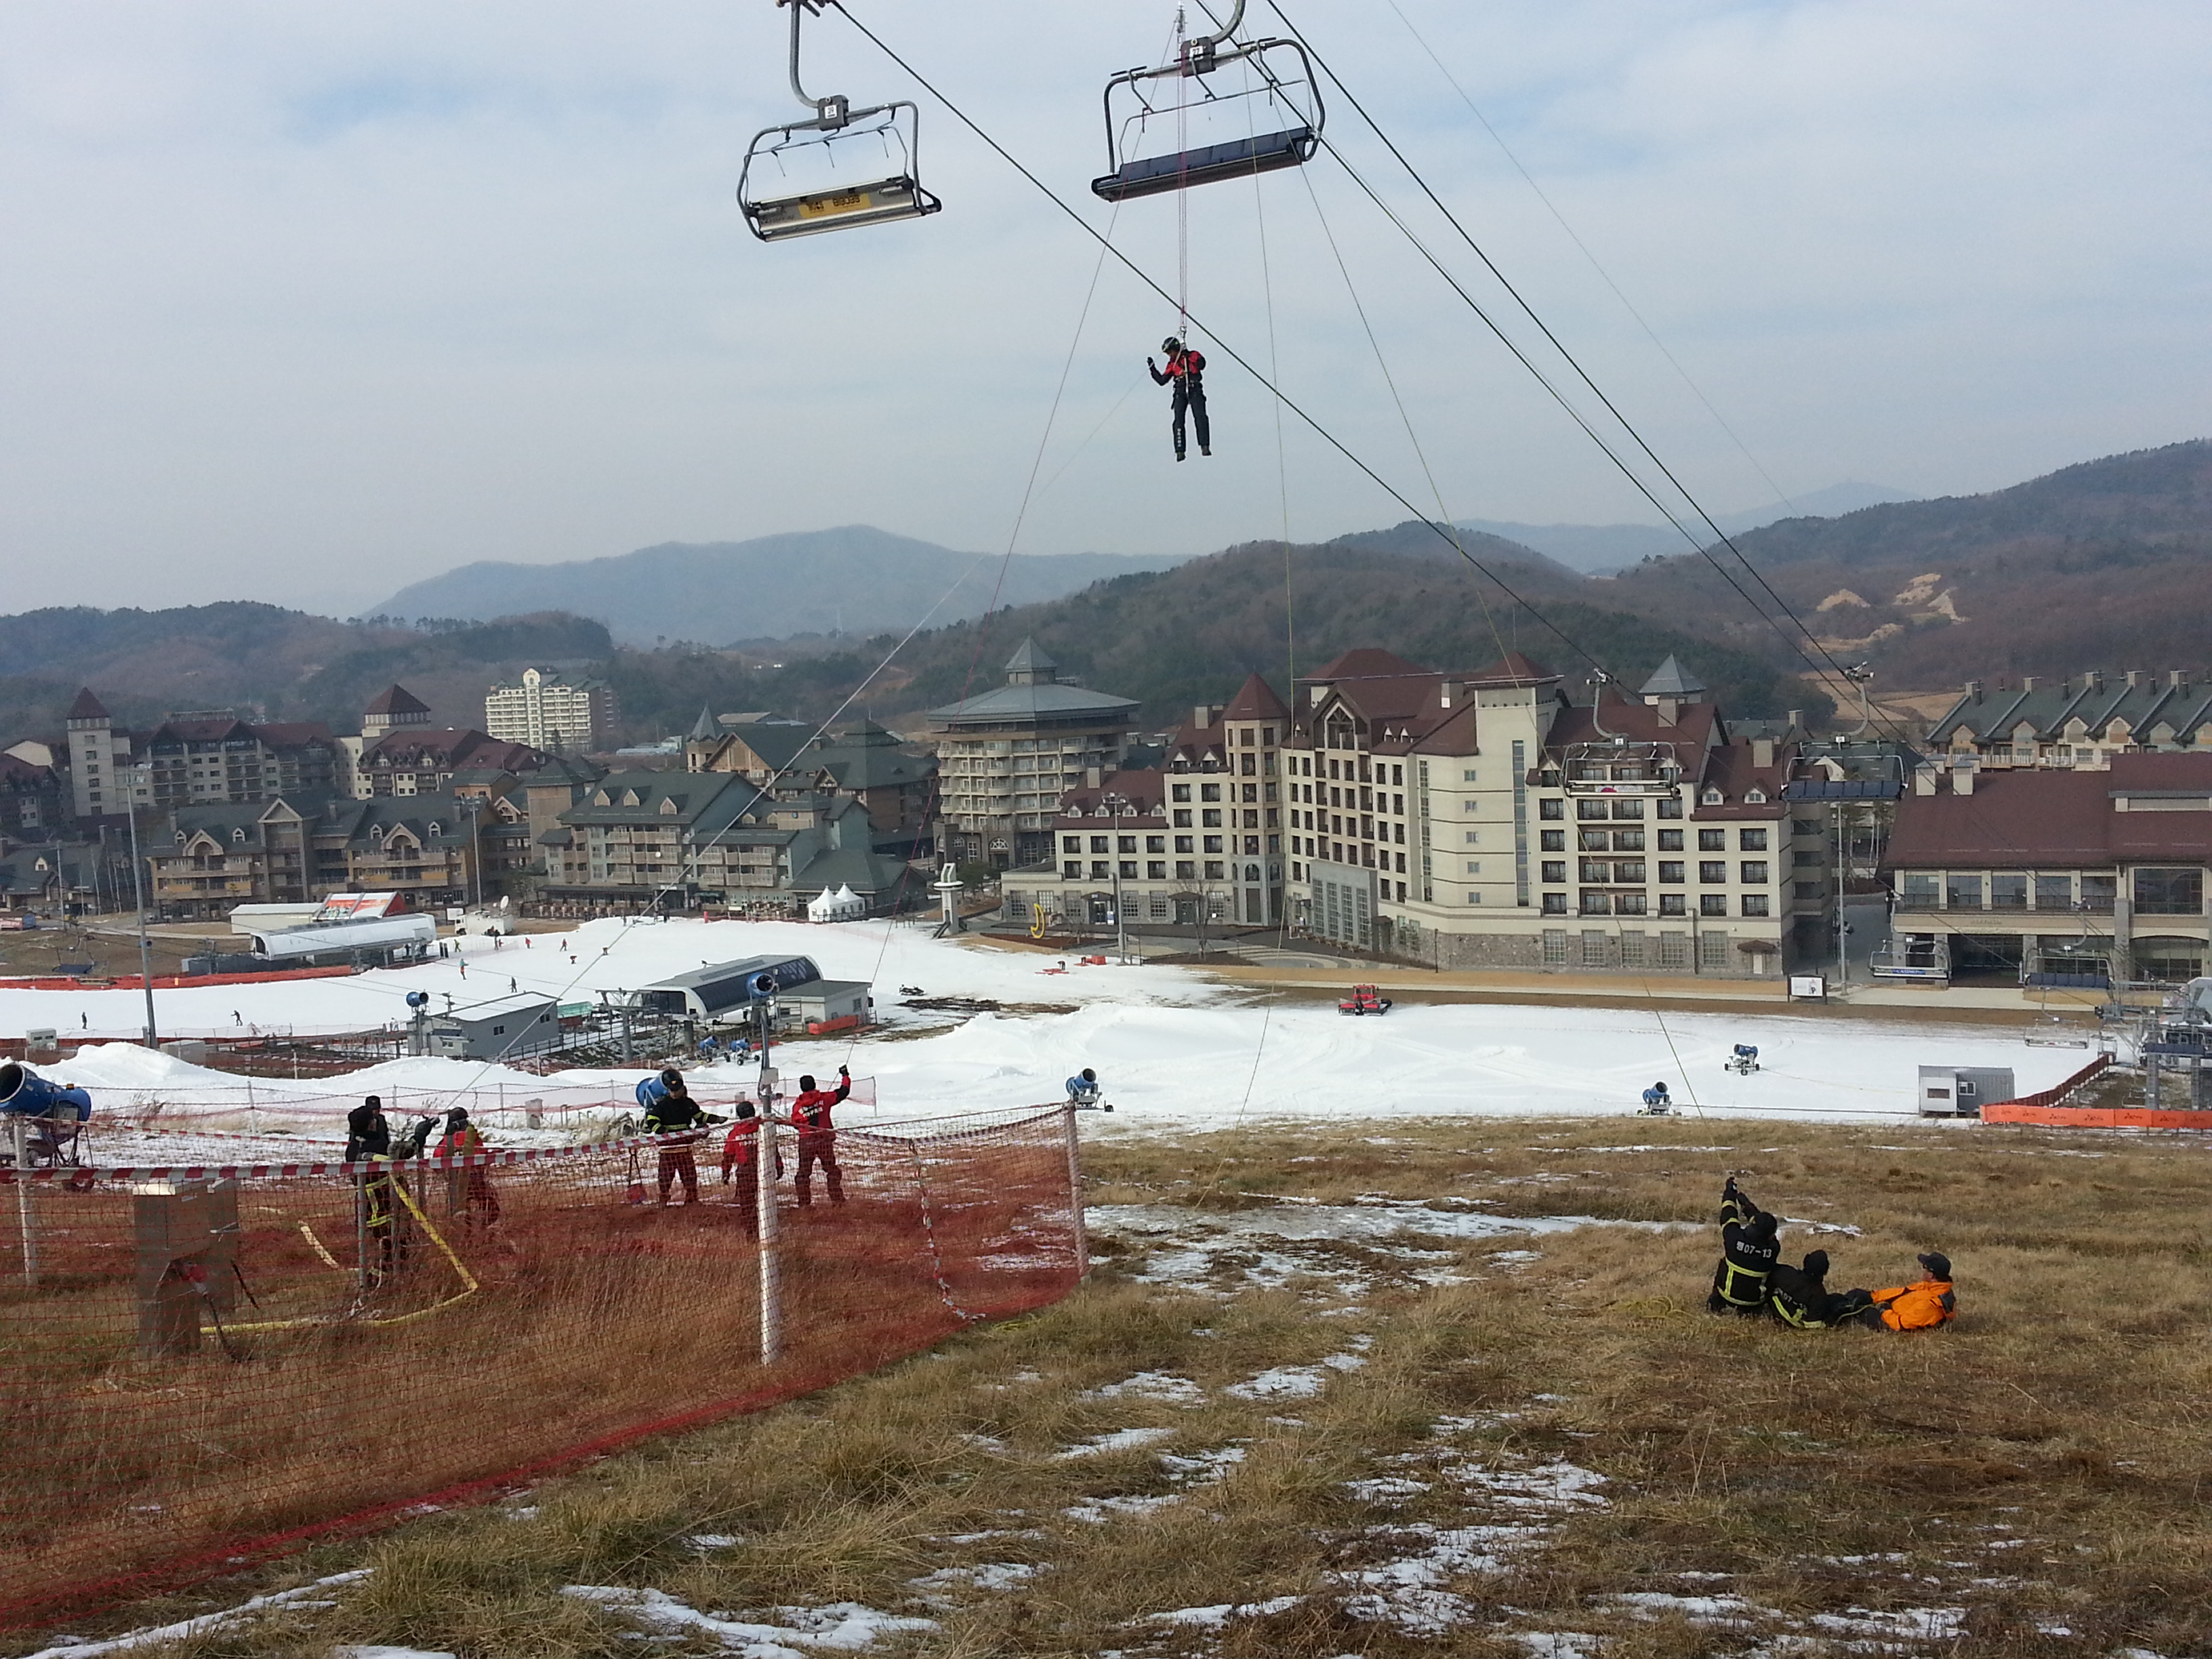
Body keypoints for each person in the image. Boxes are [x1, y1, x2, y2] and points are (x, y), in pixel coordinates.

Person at [638, 1068, 723, 1206]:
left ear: (682, 1089)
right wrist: (661, 1130)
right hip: (668, 1150)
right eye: (672, 1090)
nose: (675, 1093)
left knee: (689, 1175)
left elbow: (700, 1116)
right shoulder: (661, 1105)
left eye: (677, 1090)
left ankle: (692, 1199)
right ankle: (663, 1199)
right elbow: (652, 1120)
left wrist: (716, 1119)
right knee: (665, 1177)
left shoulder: (688, 1103)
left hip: (685, 1148)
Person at [1707, 1176, 1779, 1316]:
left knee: (1724, 1263)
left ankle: (1715, 1302)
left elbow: (1728, 1215)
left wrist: (1730, 1193)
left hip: (1727, 1297)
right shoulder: (1774, 1248)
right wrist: (1748, 1206)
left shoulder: (1734, 1238)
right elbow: (1764, 1227)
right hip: (1754, 1304)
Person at [788, 1065, 851, 1208]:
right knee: (832, 1170)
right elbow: (843, 1092)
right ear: (814, 1084)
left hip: (806, 1142)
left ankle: (804, 1204)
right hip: (824, 1140)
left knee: (803, 1173)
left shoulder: (798, 1106)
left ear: (802, 1088)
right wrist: (845, 1075)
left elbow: (795, 1123)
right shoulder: (825, 1098)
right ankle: (837, 1200)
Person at [1843, 1252, 1957, 1332]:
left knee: (1859, 1311)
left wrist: (1884, 1311)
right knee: (1856, 1295)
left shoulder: (1932, 1304)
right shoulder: (1929, 1287)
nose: (1922, 1270)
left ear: (1931, 1275)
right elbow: (1900, 1292)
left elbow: (1900, 1324)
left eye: (1924, 1267)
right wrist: (1873, 1297)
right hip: (1890, 1310)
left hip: (1890, 1320)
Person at [720, 1101, 784, 1233]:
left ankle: (751, 1230)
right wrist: (778, 1165)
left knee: (747, 1203)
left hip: (745, 1172)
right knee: (766, 1200)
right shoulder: (762, 1128)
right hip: (764, 1168)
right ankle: (768, 1228)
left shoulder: (736, 1133)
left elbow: (728, 1154)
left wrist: (726, 1172)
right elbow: (773, 1148)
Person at [434, 1106, 501, 1227]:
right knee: (492, 1209)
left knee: (461, 1212)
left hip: (454, 1183)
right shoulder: (472, 1136)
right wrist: (494, 1154)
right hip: (475, 1180)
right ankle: (483, 1230)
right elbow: (480, 1157)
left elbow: (436, 1162)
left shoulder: (445, 1140)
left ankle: (465, 1232)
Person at [1147, 337, 1210, 462]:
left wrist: (1189, 356)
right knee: (1178, 421)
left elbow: (1202, 364)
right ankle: (1180, 451)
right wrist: (1152, 368)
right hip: (1180, 392)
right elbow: (1162, 381)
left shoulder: (1192, 355)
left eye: (1171, 352)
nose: (1170, 355)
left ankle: (1204, 446)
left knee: (1200, 417)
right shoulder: (1172, 364)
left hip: (1195, 389)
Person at [1765, 1248, 1840, 1330]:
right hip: (1794, 1323)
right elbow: (1813, 1324)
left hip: (1776, 1311)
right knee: (1837, 1300)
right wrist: (1828, 1325)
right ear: (1825, 1271)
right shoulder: (1819, 1296)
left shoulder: (1785, 1273)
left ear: (1805, 1262)